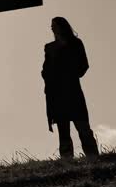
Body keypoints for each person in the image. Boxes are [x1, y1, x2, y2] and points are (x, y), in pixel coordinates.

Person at [42, 16, 99, 158]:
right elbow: (45, 69)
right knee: (63, 130)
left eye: (54, 25)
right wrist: (49, 77)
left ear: (62, 26)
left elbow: (83, 65)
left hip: (72, 90)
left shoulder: (75, 43)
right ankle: (67, 162)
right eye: (51, 26)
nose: (52, 28)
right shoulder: (50, 48)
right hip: (57, 93)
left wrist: (69, 72)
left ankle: (93, 157)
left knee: (83, 126)